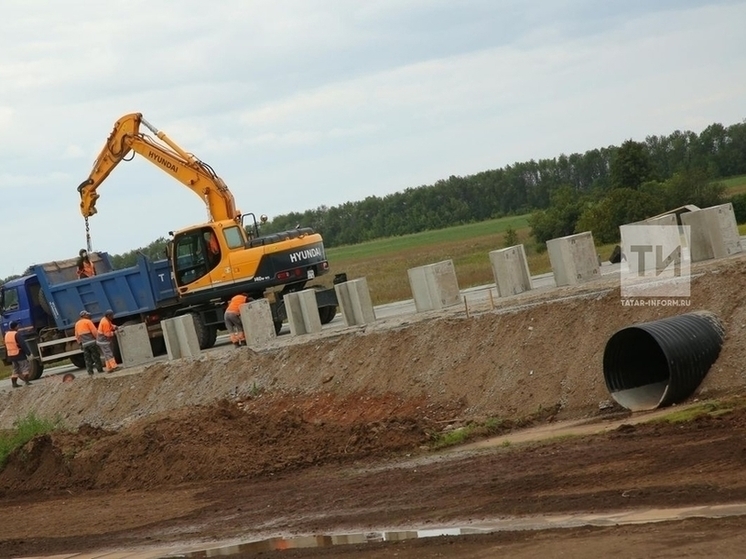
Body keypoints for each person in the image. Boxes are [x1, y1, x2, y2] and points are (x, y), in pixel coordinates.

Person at [75, 310, 103, 375]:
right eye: (87, 315)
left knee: (87, 358)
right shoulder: (88, 321)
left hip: (84, 344)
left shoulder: (77, 324)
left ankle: (90, 372)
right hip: (92, 343)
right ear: (84, 316)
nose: (88, 316)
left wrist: (80, 343)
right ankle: (100, 370)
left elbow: (77, 335)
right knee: (96, 356)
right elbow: (94, 331)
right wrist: (98, 339)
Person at [4, 321, 31, 388]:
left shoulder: (6, 335)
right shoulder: (16, 334)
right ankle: (27, 382)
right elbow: (22, 344)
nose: (18, 327)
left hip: (11, 355)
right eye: (17, 326)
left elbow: (6, 346)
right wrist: (28, 353)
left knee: (15, 369)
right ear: (15, 326)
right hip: (19, 354)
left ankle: (14, 384)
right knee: (24, 367)